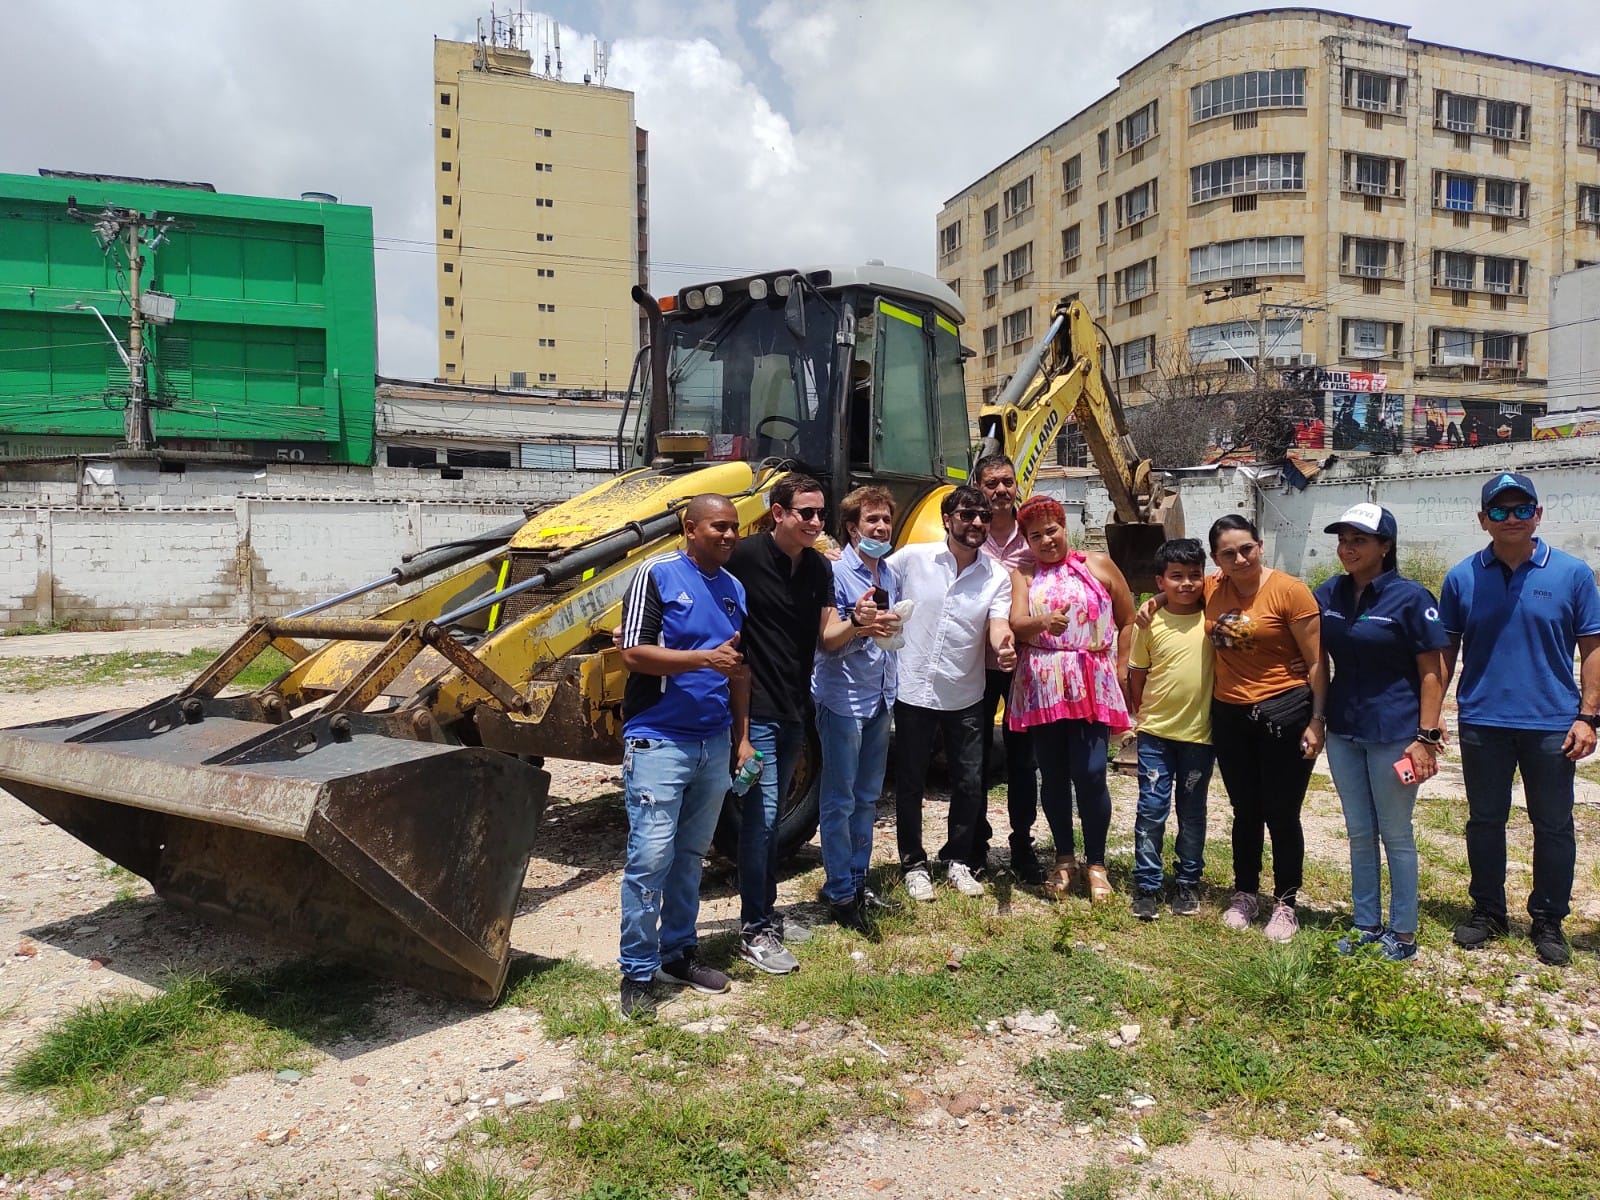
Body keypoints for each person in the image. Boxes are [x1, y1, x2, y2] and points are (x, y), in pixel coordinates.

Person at [1440, 472, 1600, 967]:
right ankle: (1488, 910)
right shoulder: (1462, 576)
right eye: (1501, 511)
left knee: (1553, 825)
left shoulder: (1573, 573)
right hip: (1483, 720)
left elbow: (1593, 648)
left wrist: (1589, 716)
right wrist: (1430, 718)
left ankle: (1548, 918)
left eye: (1522, 509)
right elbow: (1444, 651)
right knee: (1485, 821)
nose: (1512, 519)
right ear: (1483, 519)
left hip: (1552, 723)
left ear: (1538, 514)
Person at [1145, 516, 1325, 940]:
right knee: (1245, 812)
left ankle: (1285, 902)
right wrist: (1152, 601)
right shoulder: (1212, 588)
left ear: (1260, 545)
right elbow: (1178, 588)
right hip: (1229, 716)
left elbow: (1316, 661)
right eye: (1228, 553)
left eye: (1246, 548)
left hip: (1285, 713)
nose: (1240, 558)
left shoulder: (1289, 591)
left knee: (1282, 813)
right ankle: (1245, 894)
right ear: (1217, 559)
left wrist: (1318, 720)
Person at [616, 494, 755, 1019]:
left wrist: (741, 738)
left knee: (690, 856)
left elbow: (739, 670)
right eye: (718, 526)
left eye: (734, 528)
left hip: (713, 740)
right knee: (650, 856)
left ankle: (678, 953)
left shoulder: (734, 589)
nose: (729, 535)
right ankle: (636, 969)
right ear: (689, 527)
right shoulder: (657, 574)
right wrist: (703, 658)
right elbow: (633, 653)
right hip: (659, 738)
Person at [1315, 504, 1449, 963]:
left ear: (1385, 546)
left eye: (1360, 540)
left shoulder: (1411, 598)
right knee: (1358, 831)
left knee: (1395, 833)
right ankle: (1366, 923)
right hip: (1344, 731)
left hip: (1395, 733)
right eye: (1343, 539)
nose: (1347, 548)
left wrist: (1426, 736)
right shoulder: (1328, 593)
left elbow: (1433, 671)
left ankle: (1404, 933)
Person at [725, 474, 837, 975]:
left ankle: (764, 913)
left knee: (766, 821)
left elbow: (828, 636)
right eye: (805, 513)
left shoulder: (817, 569)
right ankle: (755, 928)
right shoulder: (744, 557)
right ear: (778, 514)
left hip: (796, 709)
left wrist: (866, 622)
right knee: (763, 818)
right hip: (755, 709)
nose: (816, 522)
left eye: (820, 514)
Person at [889, 484, 1015, 900]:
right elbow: (872, 580)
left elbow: (998, 624)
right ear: (948, 519)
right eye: (967, 515)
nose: (977, 522)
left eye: (983, 516)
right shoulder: (912, 559)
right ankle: (913, 863)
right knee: (909, 783)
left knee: (969, 782)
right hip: (912, 689)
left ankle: (958, 860)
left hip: (964, 692)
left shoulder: (996, 576)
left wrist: (1004, 644)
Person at [1006, 495, 1134, 901]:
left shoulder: (1097, 564)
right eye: (1035, 535)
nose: (1046, 540)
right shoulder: (1023, 572)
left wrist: (1123, 668)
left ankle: (1096, 862)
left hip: (1091, 680)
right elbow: (1017, 624)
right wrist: (1042, 622)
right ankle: (1064, 859)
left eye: (1052, 530)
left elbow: (1128, 618)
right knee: (1053, 774)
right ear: (1025, 539)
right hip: (1043, 683)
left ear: (1065, 528)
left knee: (1092, 771)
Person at [811, 486, 902, 934]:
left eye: (885, 520)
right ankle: (840, 888)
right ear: (852, 527)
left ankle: (859, 878)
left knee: (867, 797)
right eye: (872, 521)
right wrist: (859, 623)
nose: (881, 527)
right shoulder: (833, 572)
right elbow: (827, 639)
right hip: (843, 698)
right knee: (840, 799)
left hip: (882, 694)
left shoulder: (889, 573)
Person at [1127, 538, 1215, 920]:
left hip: (1200, 736)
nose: (1186, 584)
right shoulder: (1148, 623)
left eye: (1194, 575)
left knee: (1192, 811)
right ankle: (1146, 884)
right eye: (1176, 577)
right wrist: (1140, 716)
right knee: (1152, 809)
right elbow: (1137, 675)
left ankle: (1188, 882)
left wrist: (1157, 599)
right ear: (1160, 580)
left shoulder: (1214, 615)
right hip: (1156, 735)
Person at [973, 453, 1043, 884]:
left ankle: (1022, 842)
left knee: (1022, 759)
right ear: (979, 488)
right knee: (974, 759)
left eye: (1006, 482)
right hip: (975, 666)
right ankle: (974, 843)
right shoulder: (969, 534)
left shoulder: (1033, 538)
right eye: (991, 483)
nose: (1000, 490)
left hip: (1023, 666)